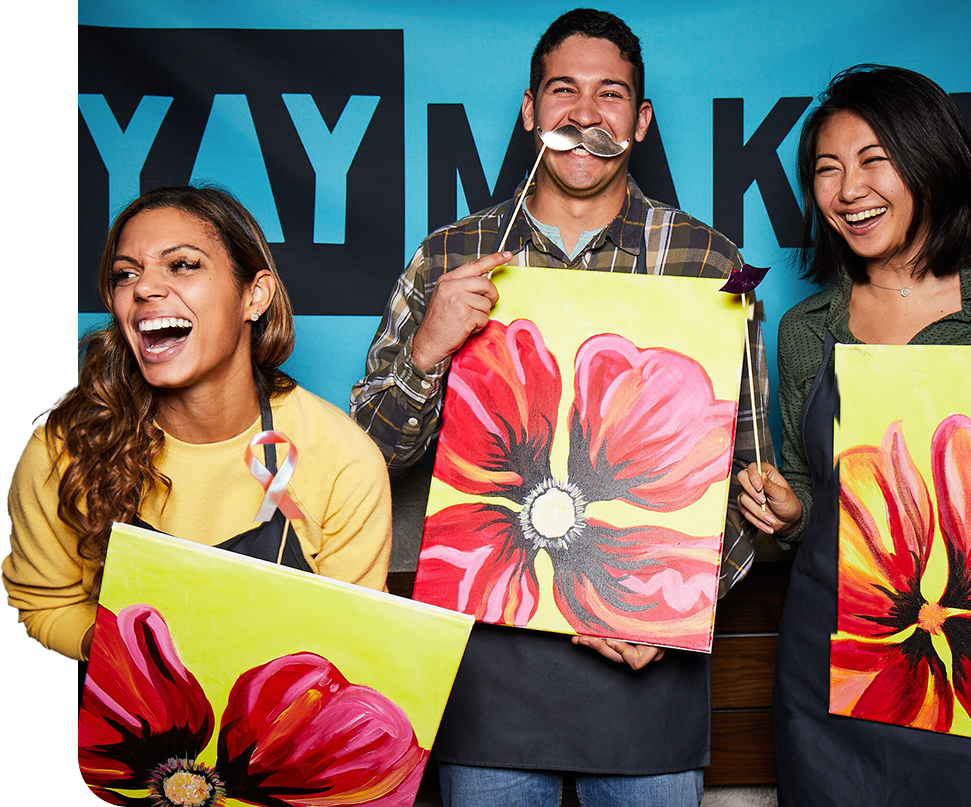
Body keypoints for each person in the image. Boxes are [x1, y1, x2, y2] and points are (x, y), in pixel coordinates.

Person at [351, 9, 771, 805]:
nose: (585, 115)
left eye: (610, 94)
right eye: (563, 92)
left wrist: (677, 604)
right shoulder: (447, 256)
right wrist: (427, 352)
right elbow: (367, 461)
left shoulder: (709, 265)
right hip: (489, 667)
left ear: (640, 121)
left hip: (647, 664)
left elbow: (741, 478)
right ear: (529, 111)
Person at [3, 185, 392, 664]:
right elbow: (46, 603)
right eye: (127, 274)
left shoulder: (340, 459)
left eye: (183, 264)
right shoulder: (64, 445)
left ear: (255, 295)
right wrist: (129, 659)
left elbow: (352, 652)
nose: (144, 288)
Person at [736, 65, 971, 806]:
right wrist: (787, 509)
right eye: (825, 170)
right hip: (833, 663)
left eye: (873, 160)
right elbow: (814, 499)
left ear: (929, 159)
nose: (846, 191)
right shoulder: (808, 331)